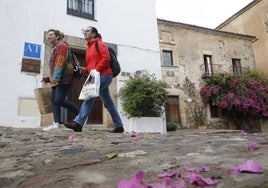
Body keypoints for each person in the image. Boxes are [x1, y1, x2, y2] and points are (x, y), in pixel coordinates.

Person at [64, 26, 124, 133]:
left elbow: (106, 58)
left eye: (87, 31)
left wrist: (96, 70)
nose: (85, 33)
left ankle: (78, 123)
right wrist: (84, 69)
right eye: (84, 31)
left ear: (94, 33)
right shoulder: (89, 48)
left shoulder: (100, 44)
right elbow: (92, 66)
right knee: (108, 103)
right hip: (97, 75)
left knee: (89, 96)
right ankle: (119, 126)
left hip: (104, 75)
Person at [42, 29, 80, 131]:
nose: (48, 37)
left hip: (64, 79)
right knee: (54, 100)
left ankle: (81, 115)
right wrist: (49, 79)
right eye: (47, 35)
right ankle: (57, 123)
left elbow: (60, 63)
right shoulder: (56, 47)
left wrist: (55, 79)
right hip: (58, 78)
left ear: (57, 36)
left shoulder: (61, 46)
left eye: (50, 35)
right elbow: (55, 67)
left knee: (59, 99)